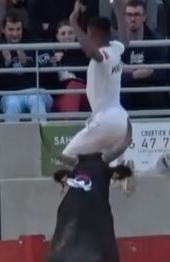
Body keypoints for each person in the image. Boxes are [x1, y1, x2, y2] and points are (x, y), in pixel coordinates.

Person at [61, 0, 132, 167]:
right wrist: (118, 11)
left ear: (91, 34)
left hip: (104, 121)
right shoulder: (115, 48)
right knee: (109, 169)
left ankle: (89, 181)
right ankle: (146, 168)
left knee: (67, 157)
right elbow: (125, 41)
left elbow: (91, 52)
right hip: (122, 120)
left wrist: (73, 22)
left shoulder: (103, 55)